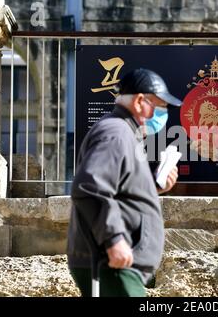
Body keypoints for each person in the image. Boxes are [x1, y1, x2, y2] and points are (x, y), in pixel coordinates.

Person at [67, 68, 182, 297]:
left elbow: (119, 191)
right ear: (140, 101)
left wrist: (155, 187)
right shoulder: (116, 132)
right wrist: (114, 240)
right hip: (111, 263)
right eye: (160, 106)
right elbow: (89, 188)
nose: (163, 113)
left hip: (116, 264)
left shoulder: (124, 133)